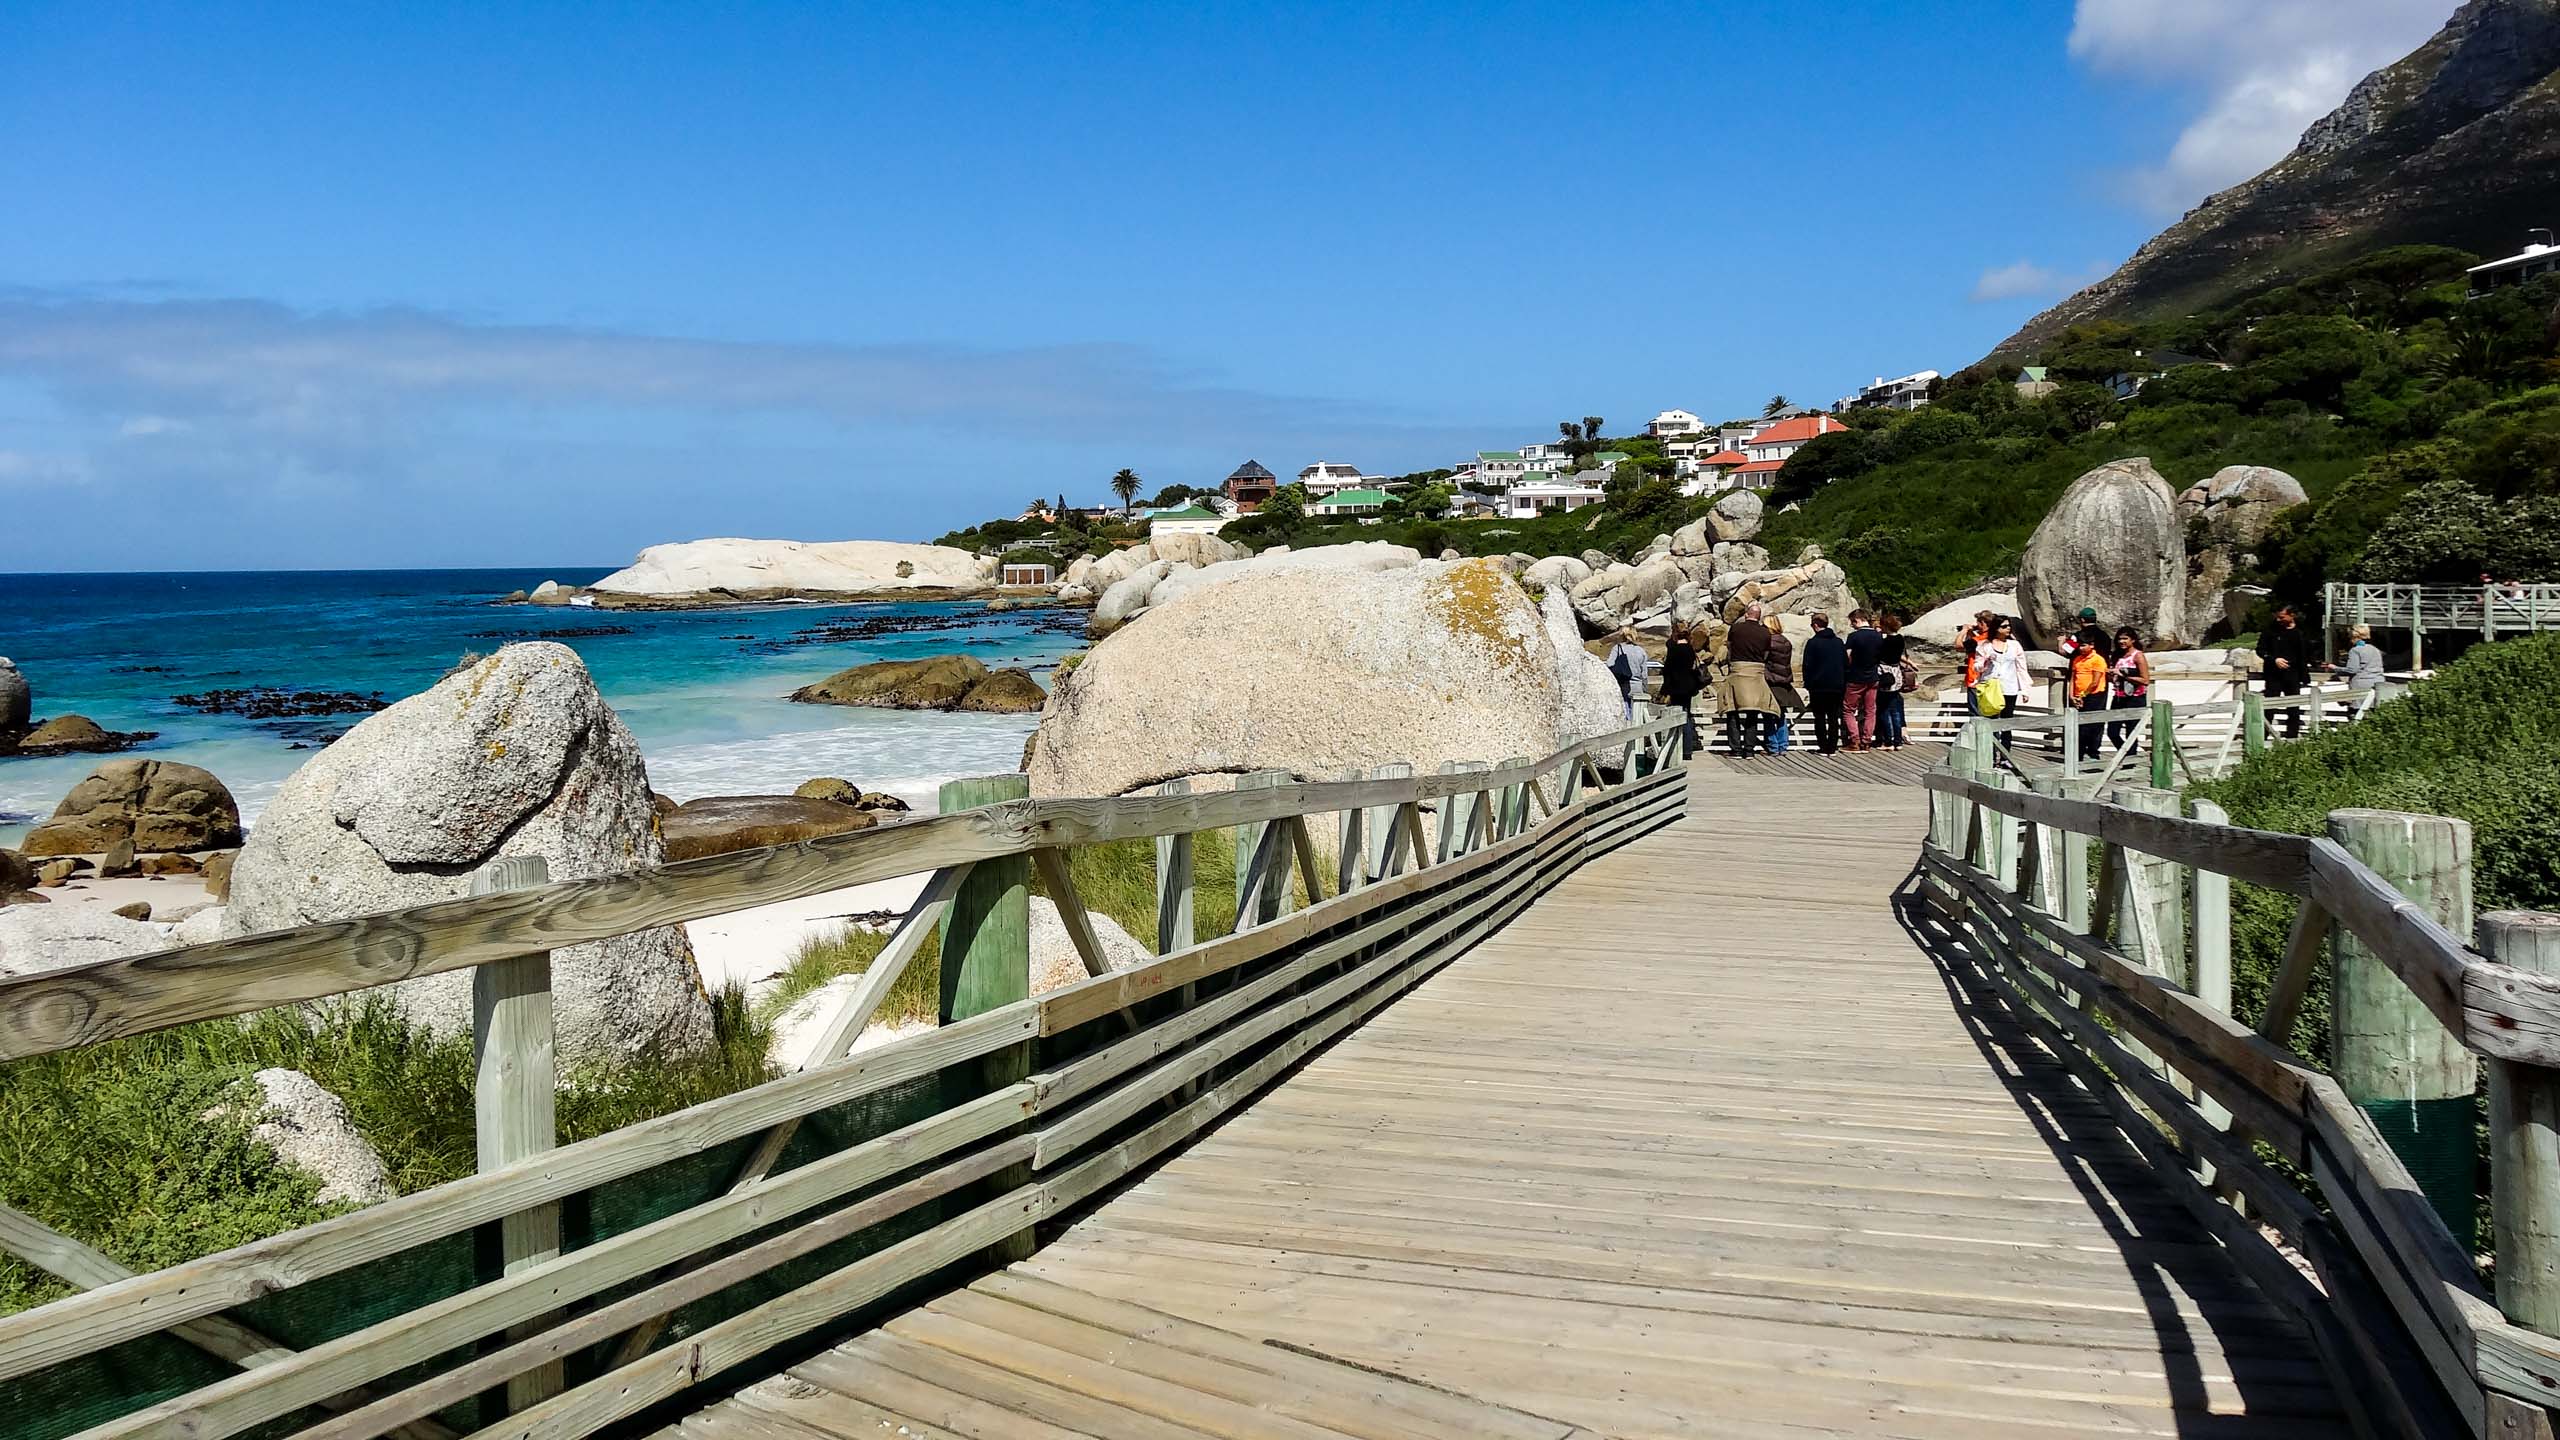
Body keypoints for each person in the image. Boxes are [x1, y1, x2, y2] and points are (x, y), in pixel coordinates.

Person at [1720, 603, 1779, 755]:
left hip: (1738, 670)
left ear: (1747, 614)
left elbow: (1730, 647)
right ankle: (1749, 749)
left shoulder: (1736, 628)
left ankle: (1735, 748)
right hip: (1756, 672)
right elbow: (1766, 654)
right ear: (1759, 617)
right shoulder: (1765, 632)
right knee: (1753, 711)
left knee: (1732, 709)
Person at [2257, 603, 2310, 739]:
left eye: (2282, 617)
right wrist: (2274, 659)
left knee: (2293, 707)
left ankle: (2292, 736)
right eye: (2278, 617)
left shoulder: (2301, 631)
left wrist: (2305, 676)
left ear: (2292, 616)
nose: (2278, 620)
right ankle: (2263, 736)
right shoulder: (2270, 630)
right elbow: (2260, 650)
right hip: (2274, 675)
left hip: (2293, 675)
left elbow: (2304, 655)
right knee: (2270, 706)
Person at [1802, 612, 1848, 755]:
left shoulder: (1812, 643)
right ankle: (1832, 747)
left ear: (1815, 625)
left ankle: (1823, 746)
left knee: (1820, 717)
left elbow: (1807, 666)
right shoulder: (1838, 642)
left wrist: (1808, 684)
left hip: (1818, 687)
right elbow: (1845, 664)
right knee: (1834, 717)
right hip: (1837, 686)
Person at [1977, 617, 2030, 736]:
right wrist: (1985, 662)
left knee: (2007, 721)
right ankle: (1990, 751)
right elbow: (1977, 666)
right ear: (1996, 628)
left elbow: (2021, 668)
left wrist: (2025, 690)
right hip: (1991, 686)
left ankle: (2005, 751)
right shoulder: (1985, 646)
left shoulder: (2015, 645)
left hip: (2009, 687)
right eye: (2004, 626)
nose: (2008, 628)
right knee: (1990, 720)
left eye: (2009, 626)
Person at [1842, 609, 1884, 752]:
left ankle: (1855, 741)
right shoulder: (1878, 636)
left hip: (1855, 677)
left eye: (1852, 622)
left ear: (1857, 620)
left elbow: (1847, 656)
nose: (1852, 625)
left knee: (1848, 710)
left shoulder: (1853, 636)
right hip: (1873, 677)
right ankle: (1867, 741)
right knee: (1870, 710)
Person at [1661, 625, 1704, 755]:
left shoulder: (1673, 649)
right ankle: (1687, 748)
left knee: (1677, 716)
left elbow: (1667, 669)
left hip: (1675, 687)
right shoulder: (1690, 650)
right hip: (1689, 687)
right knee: (1687, 715)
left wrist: (1665, 689)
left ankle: (1676, 747)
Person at [2069, 624, 2110, 760]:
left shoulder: (2098, 660)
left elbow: (2095, 682)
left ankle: (2093, 750)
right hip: (2079, 694)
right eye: (2079, 645)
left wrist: (2082, 696)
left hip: (2094, 695)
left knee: (2093, 724)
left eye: (2083, 645)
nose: (2081, 648)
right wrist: (2072, 695)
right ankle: (2078, 753)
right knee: (2078, 725)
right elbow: (2073, 678)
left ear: (2091, 645)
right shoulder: (2077, 659)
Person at [2108, 626, 2150, 747]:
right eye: (2119, 639)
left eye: (2125, 638)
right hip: (2118, 697)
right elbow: (2114, 678)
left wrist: (2123, 676)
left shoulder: (2138, 655)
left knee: (2131, 733)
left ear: (2133, 640)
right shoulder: (2117, 655)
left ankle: (2129, 763)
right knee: (2112, 731)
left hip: (2135, 698)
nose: (2122, 641)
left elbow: (2145, 680)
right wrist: (2111, 674)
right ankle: (2125, 756)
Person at [1875, 610, 1910, 750]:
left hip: (1885, 672)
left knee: (1884, 709)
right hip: (1896, 673)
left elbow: (1878, 655)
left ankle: (1888, 741)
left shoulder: (1885, 641)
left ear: (1886, 626)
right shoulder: (1900, 639)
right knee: (1895, 710)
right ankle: (1898, 741)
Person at [1764, 617, 1802, 733]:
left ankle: (1772, 745)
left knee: (1769, 714)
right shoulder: (1786, 641)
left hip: (1771, 679)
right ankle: (1783, 743)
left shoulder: (1768, 642)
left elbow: (1764, 659)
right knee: (1781, 715)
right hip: (1784, 679)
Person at [1605, 628, 1650, 724]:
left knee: (1625, 716)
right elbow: (1644, 674)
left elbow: (1609, 664)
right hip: (1637, 686)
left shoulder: (1617, 649)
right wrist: (1645, 689)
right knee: (1637, 717)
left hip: (1623, 685)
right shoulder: (1640, 651)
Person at [2331, 623, 2386, 693]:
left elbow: (2352, 670)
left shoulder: (2355, 650)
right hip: (2379, 682)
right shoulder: (2375, 649)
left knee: (2359, 704)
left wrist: (2335, 668)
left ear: (2354, 637)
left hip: (2361, 683)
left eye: (2349, 637)